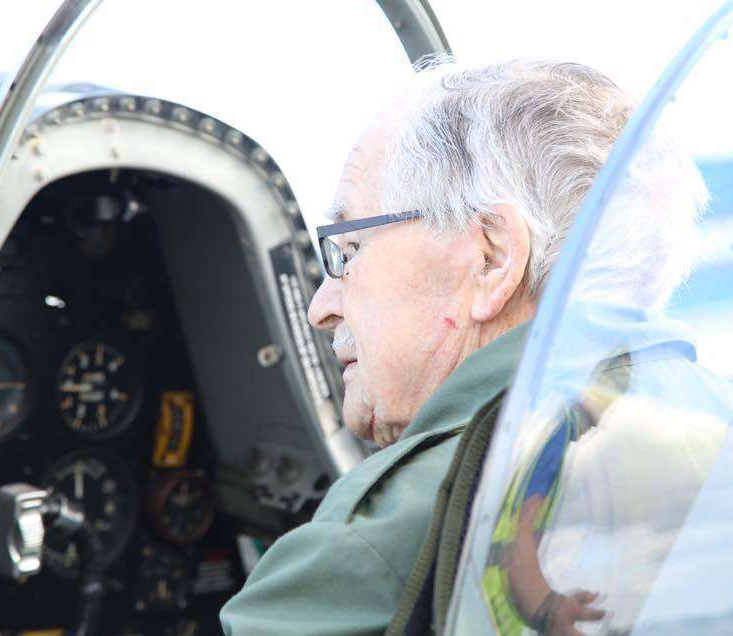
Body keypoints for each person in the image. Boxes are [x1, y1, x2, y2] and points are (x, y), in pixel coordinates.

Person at [219, 57, 712, 635]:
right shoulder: (708, 428)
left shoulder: (395, 531)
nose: (320, 307)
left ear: (493, 258)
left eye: (349, 249)